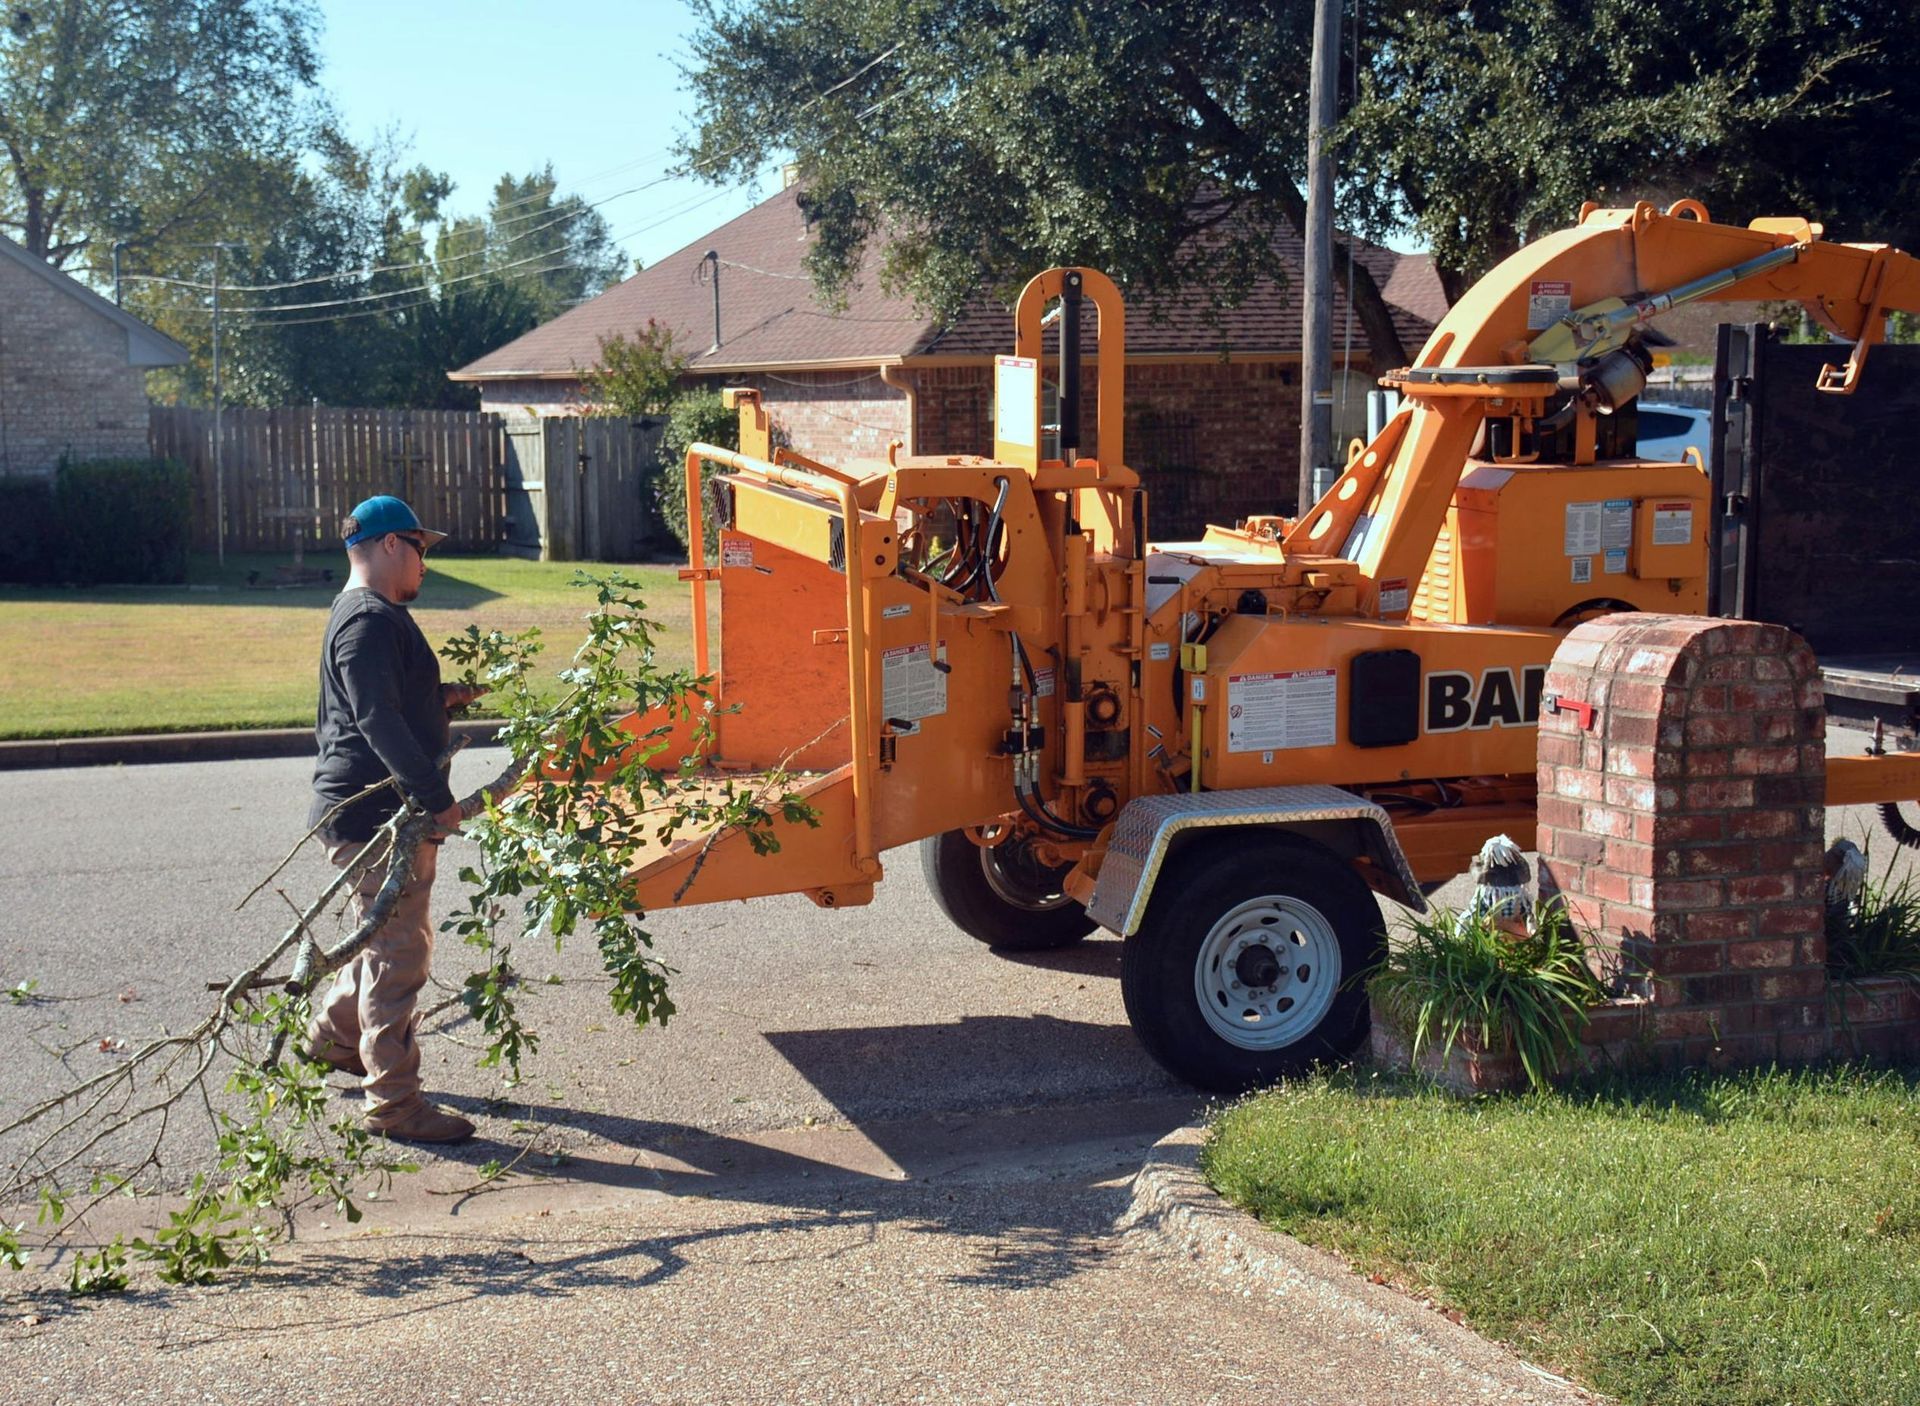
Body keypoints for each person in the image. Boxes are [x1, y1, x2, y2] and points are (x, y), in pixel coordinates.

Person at [302, 495, 484, 1144]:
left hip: (372, 811)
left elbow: (377, 701)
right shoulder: (368, 620)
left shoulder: (367, 617)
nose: (425, 561)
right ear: (386, 545)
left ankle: (332, 1040)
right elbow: (375, 719)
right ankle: (395, 1105)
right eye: (419, 546)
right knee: (400, 955)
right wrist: (438, 799)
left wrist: (441, 697)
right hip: (379, 816)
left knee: (379, 936)